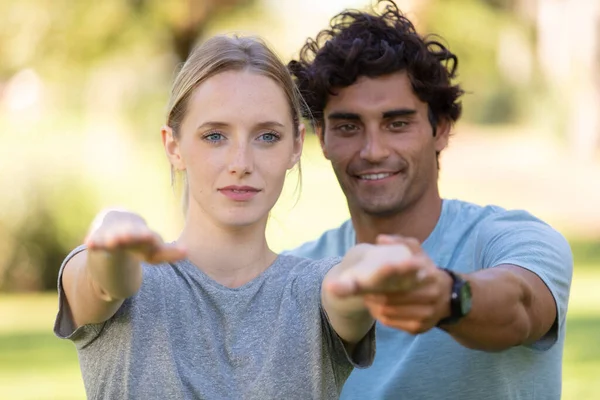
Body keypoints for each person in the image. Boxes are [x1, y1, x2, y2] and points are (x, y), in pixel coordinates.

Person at [53, 34, 427, 399]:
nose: (241, 164)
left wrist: (373, 266)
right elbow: (108, 280)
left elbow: (348, 286)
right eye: (215, 136)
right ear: (174, 146)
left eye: (266, 136)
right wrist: (112, 235)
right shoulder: (126, 278)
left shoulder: (315, 293)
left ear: (296, 145)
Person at [286, 1, 573, 399]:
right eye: (349, 126)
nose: (373, 150)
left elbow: (520, 309)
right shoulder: (297, 274)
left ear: (441, 130)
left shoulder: (514, 240)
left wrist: (447, 296)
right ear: (323, 138)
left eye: (397, 123)